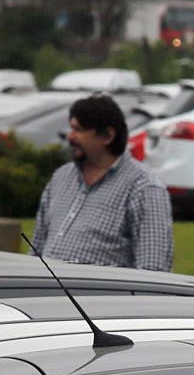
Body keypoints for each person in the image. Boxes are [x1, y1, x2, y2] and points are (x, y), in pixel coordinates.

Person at [33, 94, 174, 271]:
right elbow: (36, 250)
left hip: (98, 291)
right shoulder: (60, 178)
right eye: (71, 128)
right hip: (45, 288)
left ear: (107, 136)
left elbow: (153, 270)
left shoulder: (145, 188)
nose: (70, 136)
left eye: (78, 130)